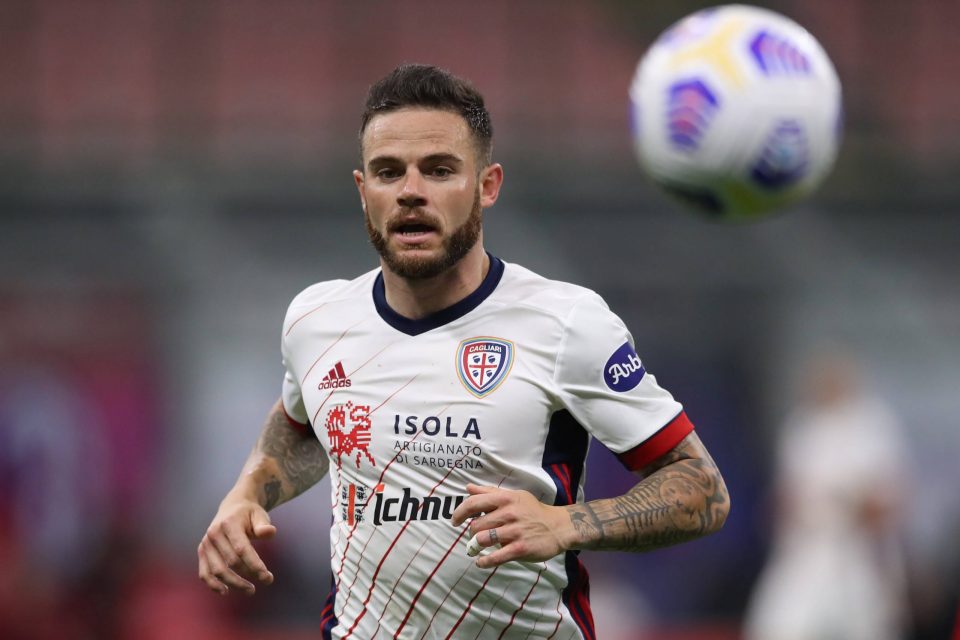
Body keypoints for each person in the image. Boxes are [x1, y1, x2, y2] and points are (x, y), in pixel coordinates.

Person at [198, 64, 729, 639]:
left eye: (440, 170)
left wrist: (567, 522)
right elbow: (301, 425)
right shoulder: (316, 320)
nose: (410, 192)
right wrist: (246, 492)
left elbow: (701, 488)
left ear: (487, 185)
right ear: (363, 190)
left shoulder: (565, 322)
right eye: (388, 172)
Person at [744, 350, 909, 640]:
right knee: (777, 626)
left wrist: (846, 506)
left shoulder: (872, 424)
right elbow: (784, 499)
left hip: (858, 554)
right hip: (806, 551)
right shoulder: (801, 426)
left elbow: (888, 502)